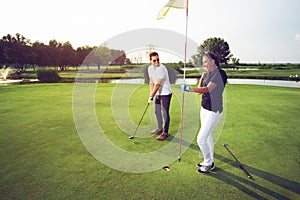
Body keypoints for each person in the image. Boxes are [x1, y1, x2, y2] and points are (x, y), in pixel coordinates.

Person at [181, 53, 227, 173]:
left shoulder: (220, 74)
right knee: (207, 136)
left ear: (213, 61)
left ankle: (208, 162)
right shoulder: (209, 74)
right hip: (205, 108)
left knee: (201, 139)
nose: (203, 64)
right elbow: (200, 91)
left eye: (205, 61)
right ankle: (210, 160)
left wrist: (189, 89)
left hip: (214, 110)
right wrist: (202, 77)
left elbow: (208, 89)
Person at [148, 52, 172, 141]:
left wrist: (151, 95)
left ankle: (165, 132)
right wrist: (151, 95)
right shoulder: (150, 69)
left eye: (158, 59)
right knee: (156, 111)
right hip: (158, 93)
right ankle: (159, 128)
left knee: (164, 113)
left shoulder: (162, 68)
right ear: (150, 60)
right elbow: (151, 82)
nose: (156, 62)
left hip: (165, 93)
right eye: (154, 60)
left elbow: (157, 84)